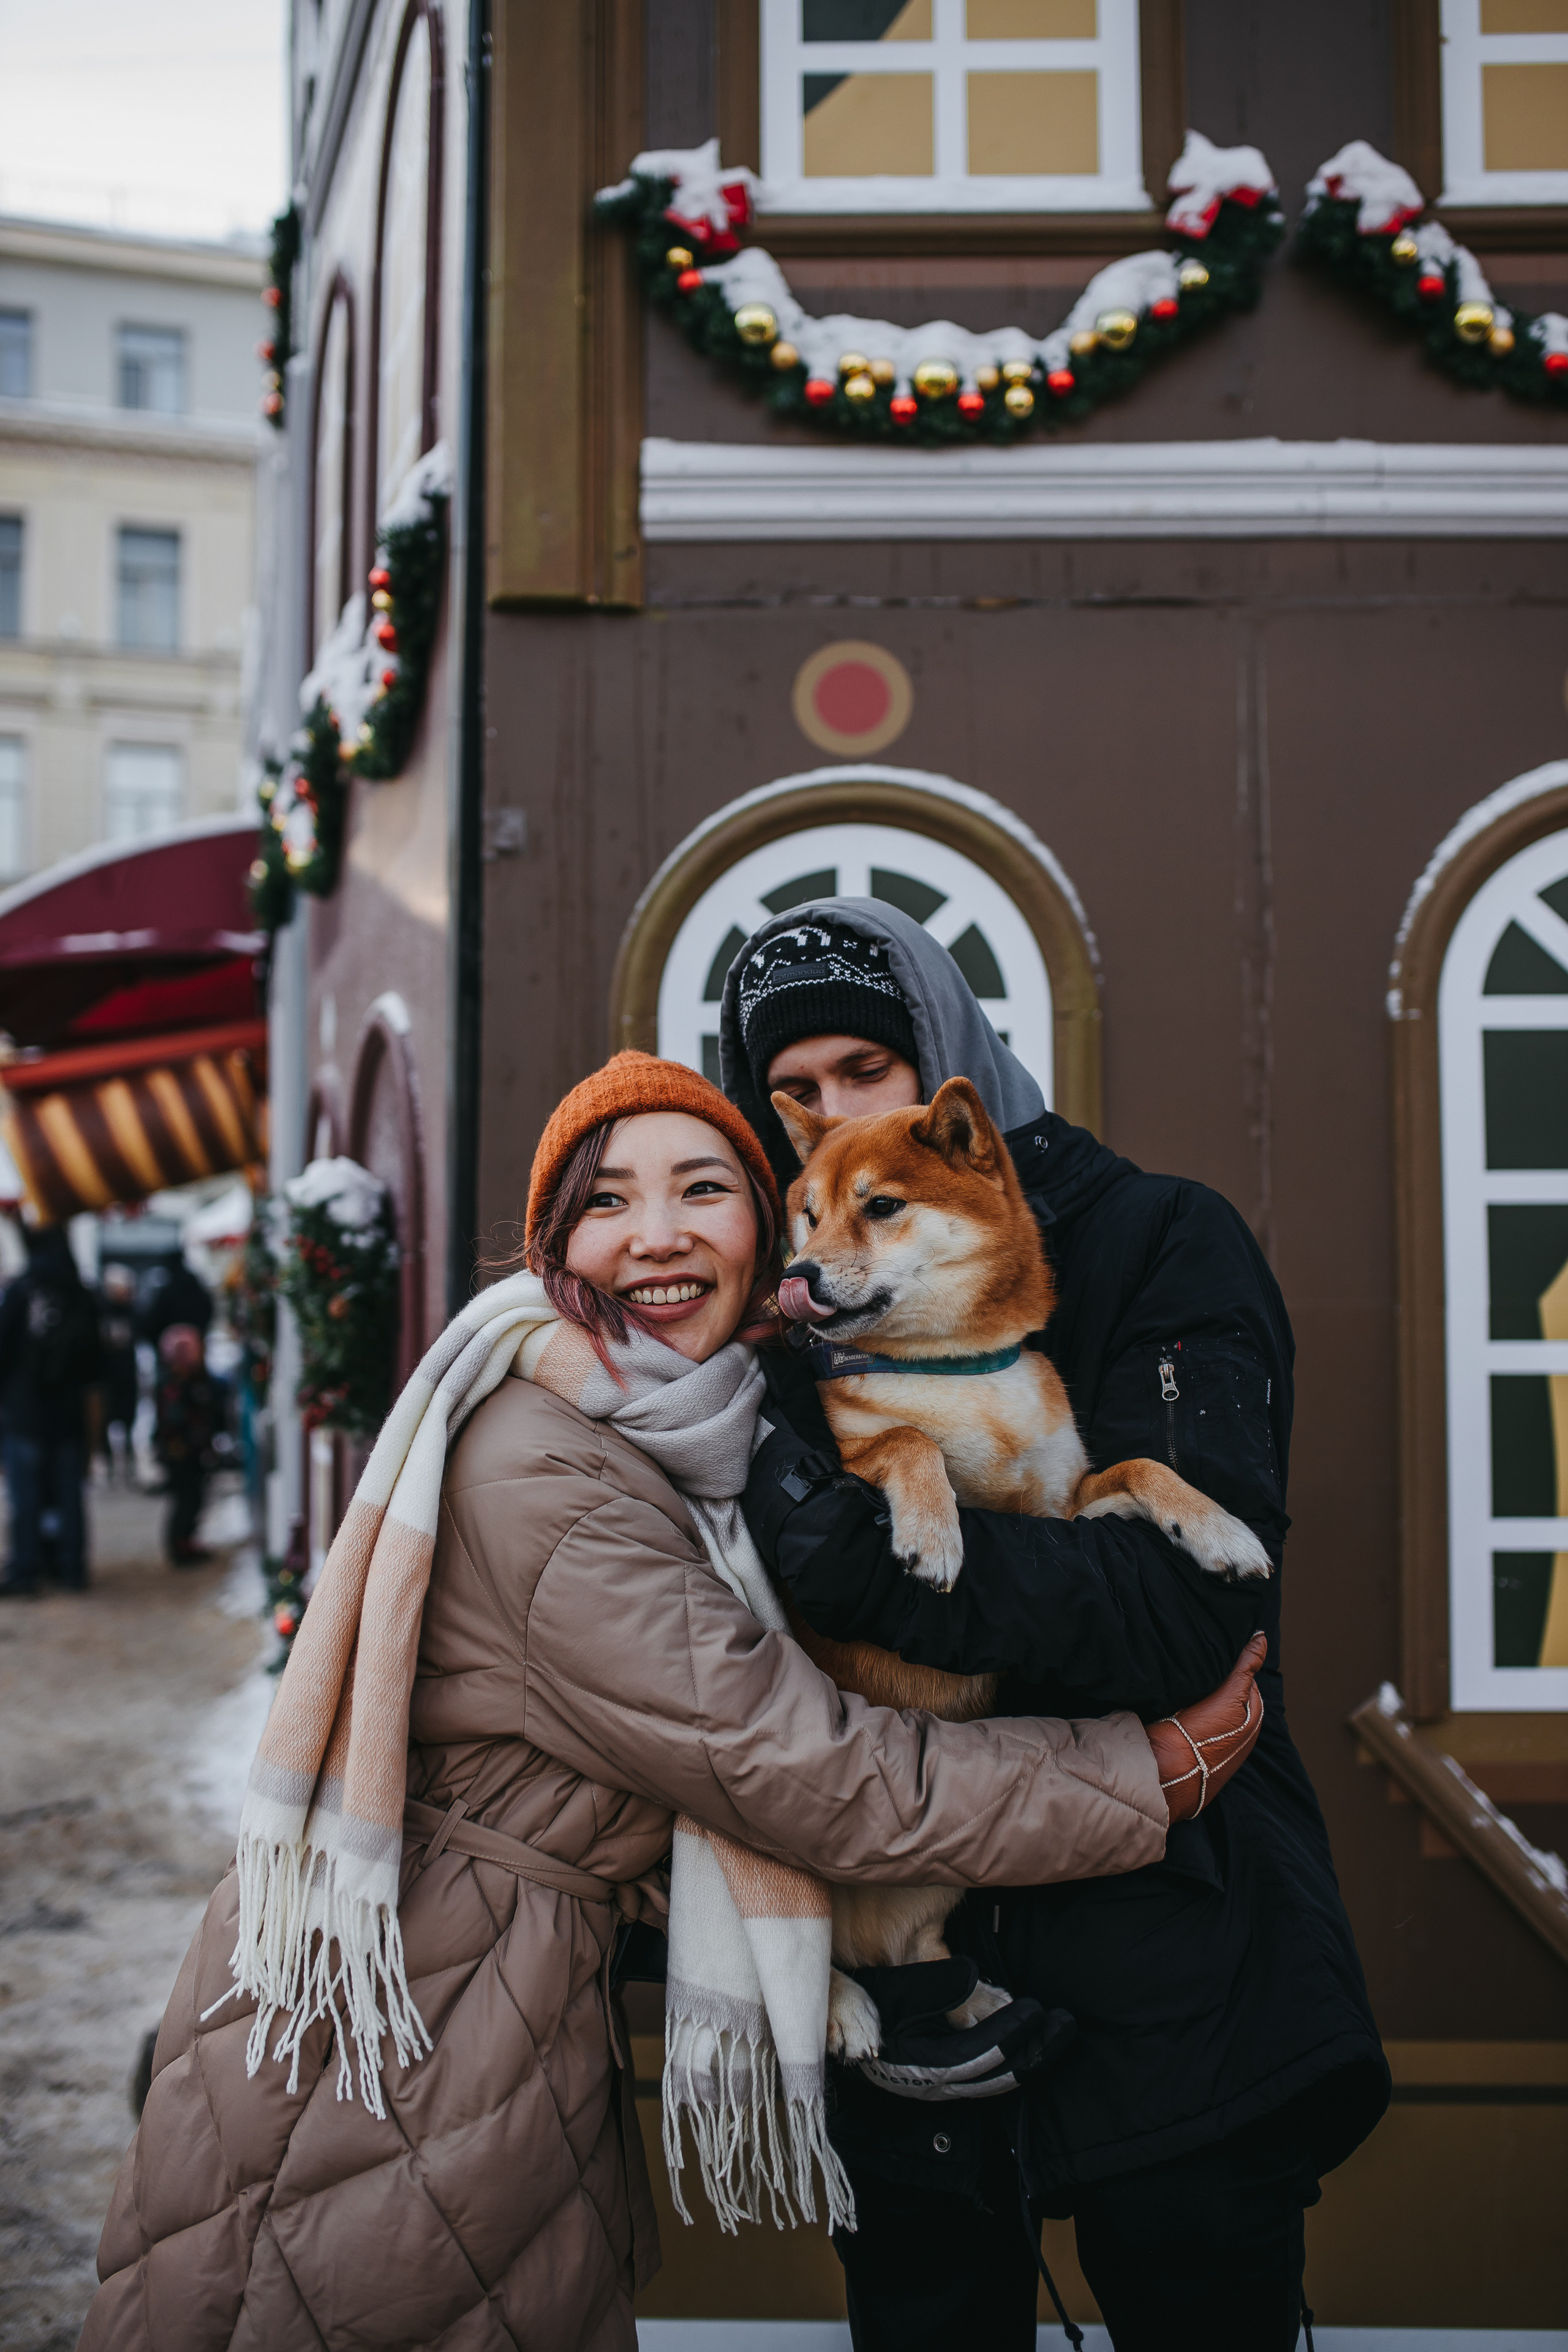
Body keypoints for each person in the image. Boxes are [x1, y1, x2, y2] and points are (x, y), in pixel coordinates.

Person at [81, 1053, 1263, 2352]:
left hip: (473, 2025)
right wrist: (1143, 1775)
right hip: (388, 2066)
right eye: (608, 1200)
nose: (656, 1234)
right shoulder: (550, 1474)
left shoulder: (684, 1430)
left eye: (703, 1189)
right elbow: (794, 1765)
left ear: (760, 1231)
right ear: (554, 1244)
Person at [720, 903, 1391, 2352]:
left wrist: (858, 1563)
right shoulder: (772, 1330)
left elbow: (1182, 1612)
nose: (835, 1108)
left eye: (866, 1065)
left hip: (1183, 1981)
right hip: (915, 2003)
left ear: (944, 1062)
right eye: (796, 1090)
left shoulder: (1159, 1241)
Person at [0, 1223, 101, 1597]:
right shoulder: (80, 1293)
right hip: (68, 1413)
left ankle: (26, 1569)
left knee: (25, 1498)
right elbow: (96, 1362)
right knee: (70, 1494)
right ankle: (71, 1566)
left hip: (25, 1413)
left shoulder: (21, 1291)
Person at [152, 1323, 220, 1565]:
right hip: (180, 1453)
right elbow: (173, 1421)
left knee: (194, 1498)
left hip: (193, 1450)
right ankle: (180, 1545)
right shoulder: (173, 1385)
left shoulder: (194, 1381)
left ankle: (187, 1541)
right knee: (185, 1499)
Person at [97, 1261, 140, 1485]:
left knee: (128, 1420)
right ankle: (111, 1467)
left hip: (127, 1373)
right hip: (107, 1375)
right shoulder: (100, 1311)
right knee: (107, 1421)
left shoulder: (132, 1312)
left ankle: (129, 1466)